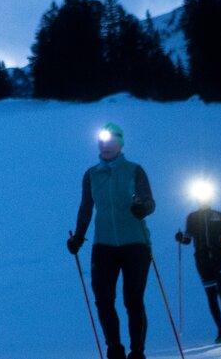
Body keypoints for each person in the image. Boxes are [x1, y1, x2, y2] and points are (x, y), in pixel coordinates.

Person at [68, 123, 157, 359]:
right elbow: (86, 207)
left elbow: (150, 202)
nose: (105, 146)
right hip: (104, 245)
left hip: (135, 244)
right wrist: (78, 237)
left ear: (120, 144)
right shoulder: (91, 174)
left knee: (133, 299)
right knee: (104, 299)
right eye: (101, 142)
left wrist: (143, 208)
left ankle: (137, 352)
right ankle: (114, 349)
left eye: (111, 141)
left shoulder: (134, 170)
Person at [176, 190, 221, 343]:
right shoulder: (192, 217)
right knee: (211, 295)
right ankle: (220, 330)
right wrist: (180, 238)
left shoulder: (219, 215)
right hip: (202, 259)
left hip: (219, 257)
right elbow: (188, 240)